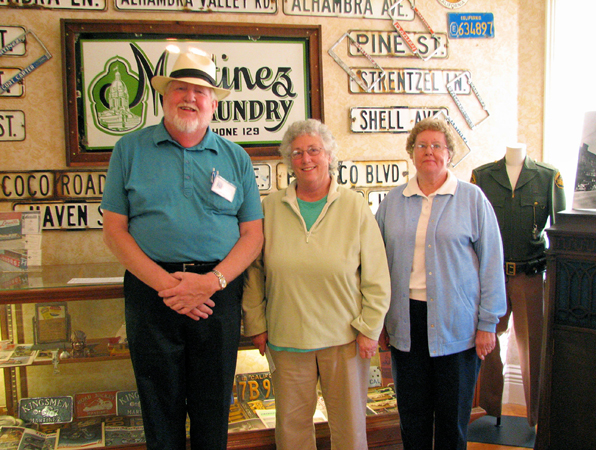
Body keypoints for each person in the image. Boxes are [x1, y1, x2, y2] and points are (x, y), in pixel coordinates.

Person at [101, 50, 264, 450]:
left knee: (214, 406)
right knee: (159, 406)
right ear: (165, 95)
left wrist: (210, 283)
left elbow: (252, 235)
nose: (190, 97)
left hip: (218, 293)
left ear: (214, 103)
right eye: (180, 88)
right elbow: (115, 232)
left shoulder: (235, 157)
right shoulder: (129, 150)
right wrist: (169, 288)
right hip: (152, 291)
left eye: (200, 91)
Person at [242, 118, 391, 450]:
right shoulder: (270, 207)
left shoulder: (354, 206)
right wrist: (256, 323)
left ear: (329, 155)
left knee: (350, 432)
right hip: (287, 338)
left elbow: (377, 275)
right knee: (292, 432)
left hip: (345, 339)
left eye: (314, 150)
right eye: (297, 153)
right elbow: (254, 272)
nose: (306, 159)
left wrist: (370, 328)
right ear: (288, 160)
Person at [375, 118, 507, 450]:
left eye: (437, 146)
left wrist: (487, 324)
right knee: (413, 418)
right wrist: (377, 321)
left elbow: (492, 264)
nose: (429, 152)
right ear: (411, 152)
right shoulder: (393, 202)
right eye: (422, 145)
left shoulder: (473, 199)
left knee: (452, 422)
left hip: (457, 328)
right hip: (406, 326)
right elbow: (376, 266)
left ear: (449, 153)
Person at [471, 144, 566, 427]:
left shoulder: (548, 176)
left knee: (534, 348)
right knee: (484, 343)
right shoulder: (483, 177)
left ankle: (537, 418)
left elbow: (560, 228)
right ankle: (487, 410)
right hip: (490, 276)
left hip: (530, 275)